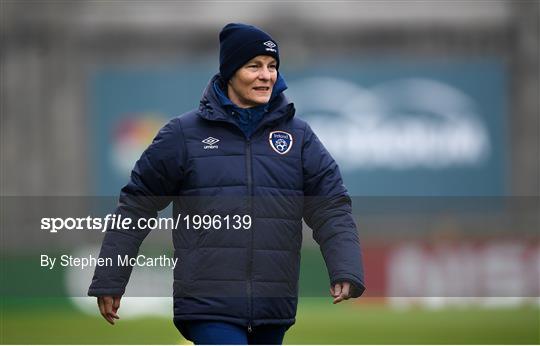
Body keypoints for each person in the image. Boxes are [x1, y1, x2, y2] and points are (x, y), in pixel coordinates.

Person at [88, 23, 365, 345]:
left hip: (273, 305)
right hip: (207, 305)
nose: (266, 75)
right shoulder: (183, 134)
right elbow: (136, 206)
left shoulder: (298, 137)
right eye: (254, 66)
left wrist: (345, 267)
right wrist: (111, 275)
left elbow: (331, 206)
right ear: (231, 71)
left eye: (272, 66)